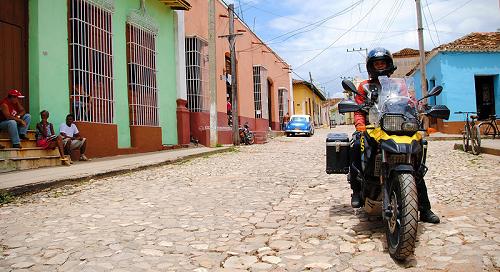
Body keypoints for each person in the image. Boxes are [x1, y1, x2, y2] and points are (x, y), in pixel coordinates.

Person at [349, 47, 440, 224]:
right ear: (371, 66)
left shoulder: (399, 85)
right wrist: (360, 125)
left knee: (416, 160)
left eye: (383, 62)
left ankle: (425, 209)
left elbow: (409, 103)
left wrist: (418, 109)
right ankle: (357, 190)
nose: (380, 66)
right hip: (372, 126)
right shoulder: (364, 86)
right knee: (354, 144)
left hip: (396, 123)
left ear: (389, 65)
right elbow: (359, 109)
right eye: (377, 63)